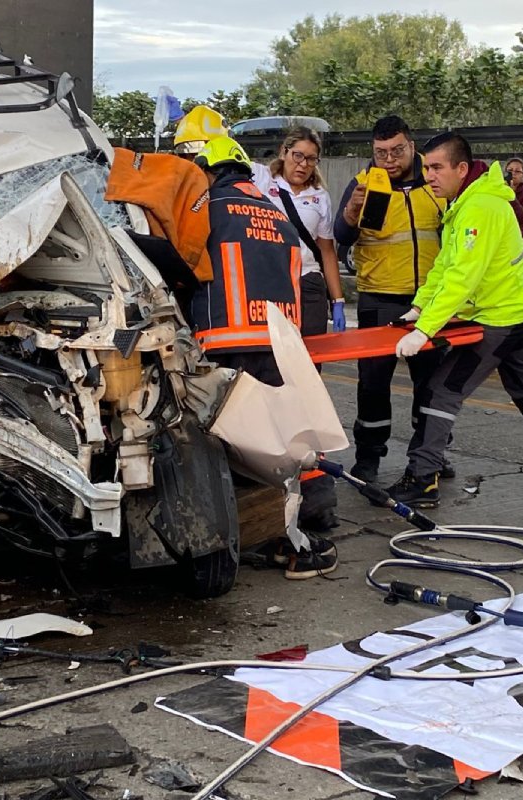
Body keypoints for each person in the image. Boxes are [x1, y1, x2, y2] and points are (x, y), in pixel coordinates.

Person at [387, 132, 523, 507]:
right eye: (426, 168)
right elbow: (445, 267)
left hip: (499, 318)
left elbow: (462, 278)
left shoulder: (479, 208)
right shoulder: (464, 202)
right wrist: (419, 308)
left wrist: (424, 331)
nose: (429, 176)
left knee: (441, 390)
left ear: (461, 168)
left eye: (437, 167)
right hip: (515, 310)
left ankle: (422, 479)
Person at [191, 135, 337, 578]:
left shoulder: (209, 207)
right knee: (280, 438)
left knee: (227, 440)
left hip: (225, 342)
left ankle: (247, 538)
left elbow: (184, 265)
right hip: (278, 344)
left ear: (210, 171)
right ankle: (295, 535)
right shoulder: (277, 213)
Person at [333, 115, 447, 485]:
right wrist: (352, 211)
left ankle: (430, 454)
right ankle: (368, 457)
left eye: (396, 150)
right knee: (373, 385)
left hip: (431, 303)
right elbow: (341, 236)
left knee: (431, 385)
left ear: (412, 146)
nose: (389, 159)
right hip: (379, 299)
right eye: (380, 152)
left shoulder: (434, 183)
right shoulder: (364, 185)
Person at [250, 128, 346, 337]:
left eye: (311, 159)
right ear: (284, 152)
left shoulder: (320, 197)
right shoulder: (262, 179)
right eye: (298, 155)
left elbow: (327, 252)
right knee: (273, 357)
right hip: (270, 282)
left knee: (311, 356)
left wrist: (338, 301)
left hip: (308, 283)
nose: (303, 164)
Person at [505, 157, 523, 240]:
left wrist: (511, 196)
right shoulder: (499, 190)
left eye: (517, 171)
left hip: (518, 237)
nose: (513, 173)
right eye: (510, 170)